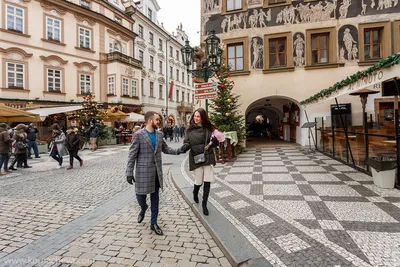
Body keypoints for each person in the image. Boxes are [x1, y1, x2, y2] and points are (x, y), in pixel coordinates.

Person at [126, 111, 185, 235]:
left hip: (156, 172)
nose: (159, 122)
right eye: (157, 120)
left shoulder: (159, 134)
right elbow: (132, 155)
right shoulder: (139, 135)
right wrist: (129, 172)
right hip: (142, 172)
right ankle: (143, 208)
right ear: (149, 120)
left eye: (159, 120)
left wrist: (179, 150)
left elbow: (166, 149)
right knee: (140, 197)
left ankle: (153, 223)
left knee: (155, 198)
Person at [180, 108, 219, 216]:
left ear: (203, 118)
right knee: (198, 181)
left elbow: (214, 142)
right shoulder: (189, 130)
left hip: (208, 156)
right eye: (195, 116)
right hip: (196, 157)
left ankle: (204, 204)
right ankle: (195, 192)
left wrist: (215, 142)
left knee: (207, 181)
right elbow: (187, 143)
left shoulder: (209, 129)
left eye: (199, 116)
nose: (196, 118)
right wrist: (184, 148)